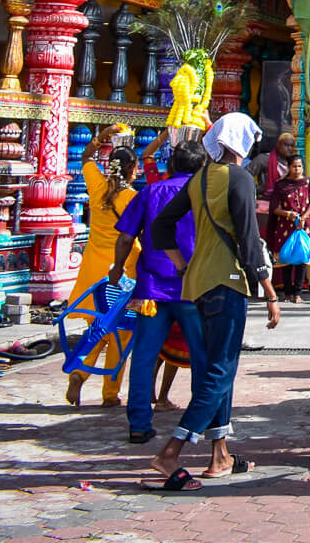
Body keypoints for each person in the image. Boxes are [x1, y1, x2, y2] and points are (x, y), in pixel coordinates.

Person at [147, 113, 279, 490]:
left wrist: (182, 263)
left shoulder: (199, 178)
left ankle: (219, 455)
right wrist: (269, 291)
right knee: (221, 371)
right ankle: (171, 451)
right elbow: (249, 241)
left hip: (195, 286)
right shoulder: (240, 178)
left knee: (212, 372)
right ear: (242, 142)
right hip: (227, 283)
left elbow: (161, 226)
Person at [109, 141, 204, 444]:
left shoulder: (150, 192)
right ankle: (199, 423)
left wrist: (117, 269)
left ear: (172, 165)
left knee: (144, 356)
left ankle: (139, 423)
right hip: (194, 287)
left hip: (151, 287)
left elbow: (125, 238)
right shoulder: (205, 194)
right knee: (203, 357)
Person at [64, 129, 139, 406]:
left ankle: (79, 373)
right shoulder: (131, 198)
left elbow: (85, 156)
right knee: (120, 333)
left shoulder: (97, 186)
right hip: (122, 271)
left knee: (97, 328)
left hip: (93, 269)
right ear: (132, 169)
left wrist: (103, 136)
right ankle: (110, 393)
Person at [265, 154, 310, 303]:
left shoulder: (309, 183)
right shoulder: (281, 185)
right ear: (288, 167)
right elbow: (275, 208)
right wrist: (288, 214)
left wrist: (303, 217)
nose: (297, 169)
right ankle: (288, 293)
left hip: (306, 225)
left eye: (300, 166)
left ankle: (297, 294)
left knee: (302, 258)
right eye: (294, 166)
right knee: (286, 258)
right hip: (286, 225)